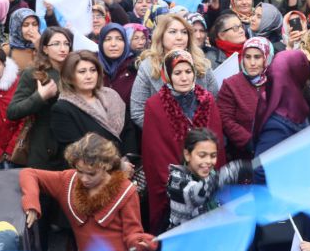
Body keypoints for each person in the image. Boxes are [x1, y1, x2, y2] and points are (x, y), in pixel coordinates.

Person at [21, 133, 156, 251]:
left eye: (91, 174)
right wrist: (32, 203)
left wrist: (140, 244)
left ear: (107, 166)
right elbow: (29, 173)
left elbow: (133, 232)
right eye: (80, 171)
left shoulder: (125, 190)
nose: (84, 179)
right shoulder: (67, 181)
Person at [141, 49, 224, 233]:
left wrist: (208, 177)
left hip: (207, 176)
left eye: (188, 72)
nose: (184, 77)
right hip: (174, 186)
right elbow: (155, 151)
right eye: (177, 73)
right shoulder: (154, 105)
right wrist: (180, 184)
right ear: (168, 75)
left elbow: (216, 139)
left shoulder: (207, 99)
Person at [252, 50, 310, 251]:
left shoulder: (291, 107)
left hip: (293, 207)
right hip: (281, 211)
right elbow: (261, 170)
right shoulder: (279, 122)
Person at [130, 14, 218, 128]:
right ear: (161, 36)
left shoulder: (202, 64)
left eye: (184, 32)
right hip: (163, 139)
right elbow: (138, 112)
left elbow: (214, 104)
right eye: (173, 32)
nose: (180, 37)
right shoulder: (148, 67)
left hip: (200, 136)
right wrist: (171, 132)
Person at [6, 27, 73, 170]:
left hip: (73, 144)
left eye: (66, 44)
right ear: (45, 48)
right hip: (44, 146)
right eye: (56, 44)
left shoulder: (76, 70)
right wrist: (40, 97)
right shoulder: (34, 72)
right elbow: (13, 111)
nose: (63, 48)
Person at [166, 128, 252, 229]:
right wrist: (237, 169)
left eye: (213, 156)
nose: (208, 161)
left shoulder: (212, 174)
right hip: (185, 240)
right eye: (202, 155)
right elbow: (197, 194)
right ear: (187, 155)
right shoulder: (176, 179)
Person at [51, 51, 125, 162]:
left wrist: (128, 158)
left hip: (125, 164)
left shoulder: (111, 95)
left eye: (93, 70)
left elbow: (128, 130)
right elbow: (74, 151)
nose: (89, 76)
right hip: (93, 170)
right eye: (82, 71)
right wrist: (117, 164)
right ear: (69, 77)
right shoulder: (62, 108)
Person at [217, 37, 274, 160]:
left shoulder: (275, 81)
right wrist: (249, 142)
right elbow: (225, 119)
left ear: (267, 58)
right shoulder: (231, 84)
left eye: (257, 57)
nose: (252, 63)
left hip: (275, 147)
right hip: (245, 154)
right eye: (247, 57)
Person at [98, 23, 139, 155]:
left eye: (119, 39)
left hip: (131, 137)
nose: (113, 44)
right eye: (108, 39)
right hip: (99, 138)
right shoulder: (92, 68)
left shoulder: (136, 67)